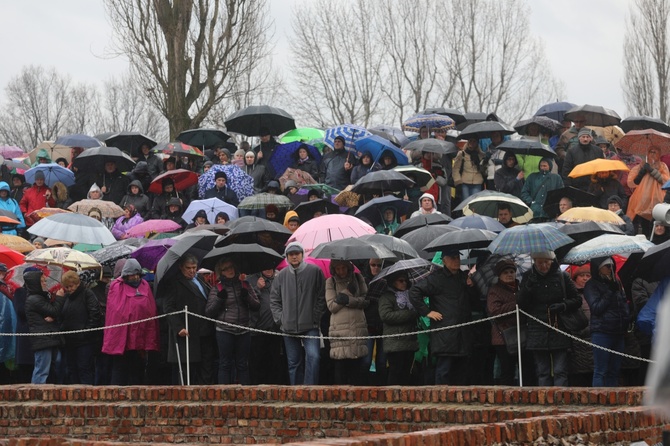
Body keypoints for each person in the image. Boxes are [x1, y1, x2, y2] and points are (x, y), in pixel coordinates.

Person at [409, 249, 477, 385]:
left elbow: (474, 302)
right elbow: (414, 292)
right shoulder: (436, 278)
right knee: (444, 370)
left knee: (462, 371)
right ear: (444, 260)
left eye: (458, 257)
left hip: (463, 332)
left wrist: (472, 286)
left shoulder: (464, 277)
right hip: (444, 333)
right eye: (452, 257)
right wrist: (427, 312)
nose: (456, 260)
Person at [517, 251, 581, 386]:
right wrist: (528, 287)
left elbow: (577, 299)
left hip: (559, 327)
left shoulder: (562, 276)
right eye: (540, 263)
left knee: (560, 370)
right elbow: (520, 304)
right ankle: (545, 400)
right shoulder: (529, 276)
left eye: (547, 262)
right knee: (542, 371)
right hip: (537, 328)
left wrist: (563, 305)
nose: (544, 266)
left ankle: (561, 399)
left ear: (552, 261)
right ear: (534, 262)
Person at [270, 241, 326, 385]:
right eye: (291, 254)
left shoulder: (314, 271)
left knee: (313, 357)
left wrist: (315, 316)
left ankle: (310, 390)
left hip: (310, 325)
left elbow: (321, 296)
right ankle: (296, 393)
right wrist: (281, 319)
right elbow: (274, 300)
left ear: (302, 254)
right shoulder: (281, 276)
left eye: (297, 254)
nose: (294, 257)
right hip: (288, 327)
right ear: (287, 257)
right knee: (293, 363)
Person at [101, 259, 160, 385]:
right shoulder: (116, 286)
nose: (135, 277)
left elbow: (150, 308)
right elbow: (115, 311)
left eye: (137, 274)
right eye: (132, 274)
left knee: (137, 367)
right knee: (120, 367)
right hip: (123, 335)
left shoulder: (144, 285)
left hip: (140, 334)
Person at [162, 254, 216, 385]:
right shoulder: (174, 283)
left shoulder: (202, 281)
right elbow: (168, 307)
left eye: (194, 267)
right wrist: (178, 327)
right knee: (189, 368)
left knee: (207, 365)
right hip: (188, 331)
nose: (192, 271)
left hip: (205, 330)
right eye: (188, 268)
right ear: (181, 267)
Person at [206, 258, 260, 385]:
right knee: (225, 363)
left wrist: (247, 296)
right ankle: (224, 395)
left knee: (243, 364)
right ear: (221, 272)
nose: (229, 270)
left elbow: (256, 306)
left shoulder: (245, 285)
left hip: (244, 329)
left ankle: (245, 395)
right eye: (225, 269)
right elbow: (209, 312)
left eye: (231, 267)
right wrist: (219, 299)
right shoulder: (217, 288)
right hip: (224, 330)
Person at [584, 257, 631, 387]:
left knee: (614, 371)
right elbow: (596, 308)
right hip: (602, 332)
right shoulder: (591, 285)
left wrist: (628, 317)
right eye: (607, 266)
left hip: (618, 331)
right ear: (599, 268)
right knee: (601, 370)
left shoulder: (617, 283)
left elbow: (623, 304)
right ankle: (598, 401)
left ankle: (612, 402)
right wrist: (610, 291)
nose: (610, 269)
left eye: (612, 266)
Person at [325, 259, 368, 385]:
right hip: (339, 329)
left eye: (343, 268)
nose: (341, 271)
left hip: (357, 326)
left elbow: (365, 301)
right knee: (340, 365)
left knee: (357, 366)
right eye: (337, 268)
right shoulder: (330, 281)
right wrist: (347, 292)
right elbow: (332, 306)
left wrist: (348, 300)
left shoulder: (358, 278)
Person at [59, 271, 102, 385]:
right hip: (69, 340)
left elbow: (95, 314)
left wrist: (85, 332)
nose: (69, 289)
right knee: (72, 370)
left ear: (77, 283)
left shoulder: (87, 294)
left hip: (84, 341)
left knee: (84, 369)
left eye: (71, 286)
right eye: (67, 287)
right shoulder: (67, 297)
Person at [24, 267, 65, 384]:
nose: (45, 283)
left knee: (54, 363)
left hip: (48, 338)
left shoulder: (41, 297)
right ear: (36, 283)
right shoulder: (34, 299)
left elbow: (52, 313)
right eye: (42, 281)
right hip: (43, 339)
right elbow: (54, 311)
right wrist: (60, 298)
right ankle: (36, 394)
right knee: (42, 369)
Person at [486, 259, 523, 386]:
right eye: (506, 272)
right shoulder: (494, 290)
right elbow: (495, 311)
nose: (509, 274)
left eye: (512, 271)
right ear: (499, 275)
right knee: (507, 370)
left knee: (526, 369)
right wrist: (516, 304)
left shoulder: (522, 288)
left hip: (522, 334)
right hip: (502, 337)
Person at [248, 268, 287, 385]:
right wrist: (257, 288)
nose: (269, 269)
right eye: (266, 267)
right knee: (257, 364)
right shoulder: (251, 280)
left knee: (275, 363)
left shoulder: (279, 278)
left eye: (271, 266)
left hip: (275, 329)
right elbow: (248, 302)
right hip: (257, 329)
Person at [378, 272, 418, 385]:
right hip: (395, 342)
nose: (404, 283)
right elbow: (385, 315)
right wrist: (408, 314)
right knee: (395, 371)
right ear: (393, 281)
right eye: (401, 280)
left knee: (406, 372)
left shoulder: (410, 295)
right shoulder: (386, 297)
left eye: (405, 280)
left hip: (409, 340)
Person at [627, 147, 670, 235]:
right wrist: (642, 172)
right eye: (651, 152)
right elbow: (633, 182)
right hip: (642, 200)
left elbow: (665, 181)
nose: (652, 154)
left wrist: (652, 171)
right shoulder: (641, 165)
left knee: (656, 225)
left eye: (655, 152)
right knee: (644, 225)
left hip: (657, 200)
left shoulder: (662, 166)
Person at [567, 264, 594, 387]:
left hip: (594, 333)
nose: (585, 278)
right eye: (581, 275)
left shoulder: (595, 292)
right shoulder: (571, 294)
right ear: (575, 278)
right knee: (579, 371)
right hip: (578, 335)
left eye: (588, 275)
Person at [521, 157, 564, 221]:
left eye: (545, 166)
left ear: (549, 166)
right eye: (541, 166)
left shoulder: (556, 178)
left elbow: (561, 193)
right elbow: (524, 192)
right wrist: (531, 202)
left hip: (550, 213)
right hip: (535, 213)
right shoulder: (532, 177)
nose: (543, 168)